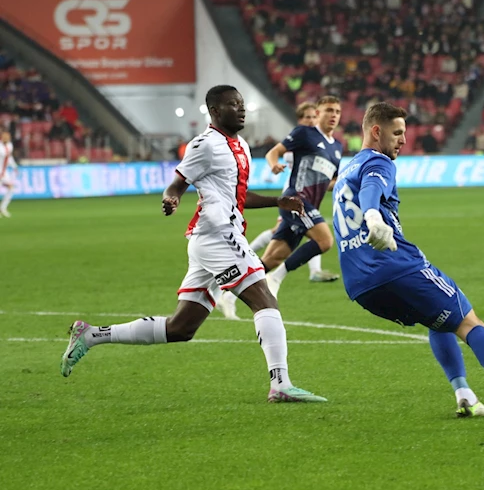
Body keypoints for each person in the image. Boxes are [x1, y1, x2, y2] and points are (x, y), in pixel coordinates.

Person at [60, 85, 327, 403]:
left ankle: (91, 335)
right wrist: (171, 198)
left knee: (180, 328)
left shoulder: (239, 144)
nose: (241, 109)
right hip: (217, 237)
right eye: (232, 104)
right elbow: (176, 184)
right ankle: (281, 384)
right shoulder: (204, 144)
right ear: (215, 111)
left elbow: (239, 197)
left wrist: (277, 201)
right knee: (265, 299)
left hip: (212, 239)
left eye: (241, 104)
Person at [332, 102, 484, 426]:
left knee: (437, 320)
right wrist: (374, 217)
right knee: (469, 323)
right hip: (396, 267)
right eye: (398, 133)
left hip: (360, 285)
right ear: (376, 131)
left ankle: (465, 397)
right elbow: (373, 190)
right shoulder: (379, 162)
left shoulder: (346, 171)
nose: (404, 140)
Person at [260, 96, 343, 298]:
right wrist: (273, 164)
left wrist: (345, 183)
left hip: (309, 206)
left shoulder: (337, 147)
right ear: (317, 113)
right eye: (329, 110)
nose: (333, 115)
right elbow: (274, 151)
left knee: (272, 258)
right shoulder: (305, 133)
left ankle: (223, 292)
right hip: (295, 200)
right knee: (325, 241)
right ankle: (276, 278)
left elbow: (329, 182)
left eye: (337, 112)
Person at [0, 130, 17, 217]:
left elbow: (9, 157)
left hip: (4, 172)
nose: (7, 138)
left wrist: (15, 167)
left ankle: (3, 208)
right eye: (5, 136)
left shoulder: (10, 145)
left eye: (8, 137)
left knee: (11, 189)